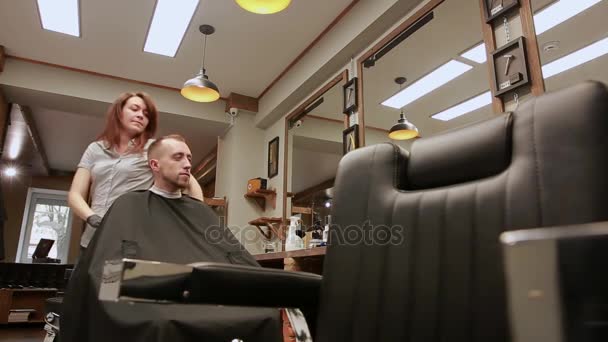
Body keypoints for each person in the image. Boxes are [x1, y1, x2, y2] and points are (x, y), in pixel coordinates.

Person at [60, 135, 281, 342]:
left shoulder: (200, 211)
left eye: (189, 158)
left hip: (207, 297)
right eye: (178, 157)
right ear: (154, 165)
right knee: (161, 324)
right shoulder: (128, 205)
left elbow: (233, 257)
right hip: (150, 300)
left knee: (268, 315)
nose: (187, 164)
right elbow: (107, 273)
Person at [68, 92, 204, 250]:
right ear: (119, 112)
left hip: (131, 240)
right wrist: (92, 218)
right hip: (92, 240)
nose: (140, 115)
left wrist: (197, 218)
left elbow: (188, 181)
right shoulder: (94, 149)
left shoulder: (153, 149)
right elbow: (75, 194)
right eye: (134, 109)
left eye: (146, 114)